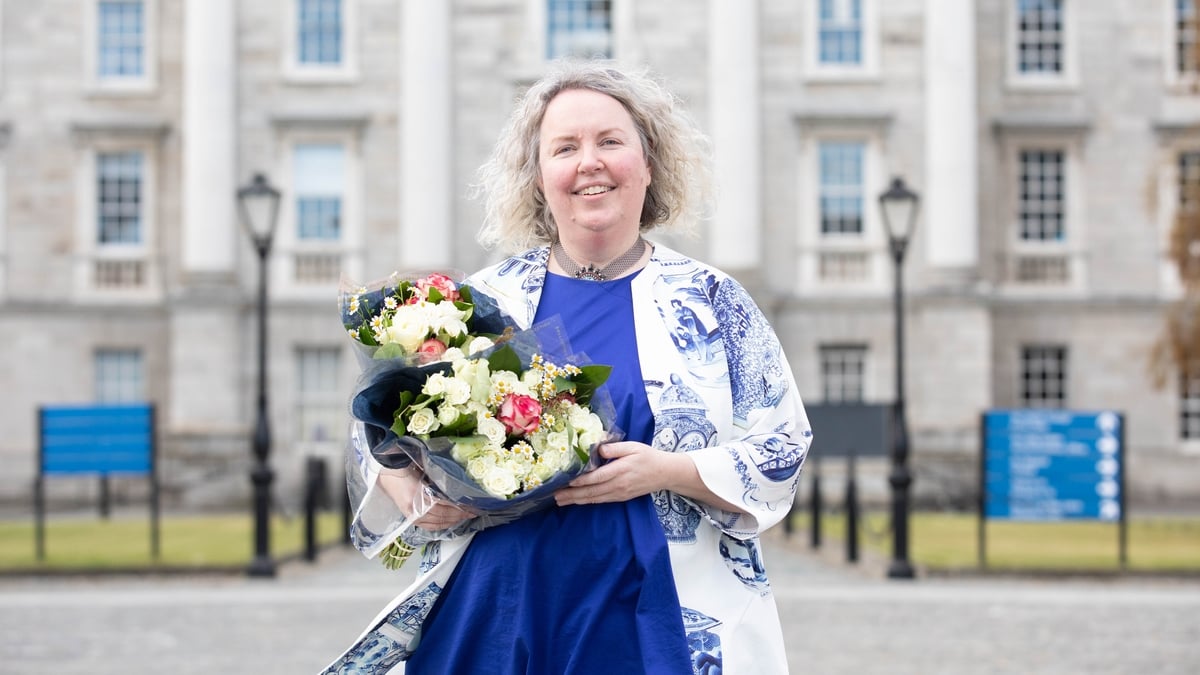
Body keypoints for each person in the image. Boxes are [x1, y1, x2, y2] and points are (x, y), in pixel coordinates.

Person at [324, 60, 812, 674]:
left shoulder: (713, 302)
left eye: (611, 141)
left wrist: (669, 469)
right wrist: (412, 489)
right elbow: (384, 428)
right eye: (565, 147)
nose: (590, 162)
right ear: (538, 179)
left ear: (650, 164)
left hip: (649, 612)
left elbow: (784, 444)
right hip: (495, 612)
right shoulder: (480, 301)